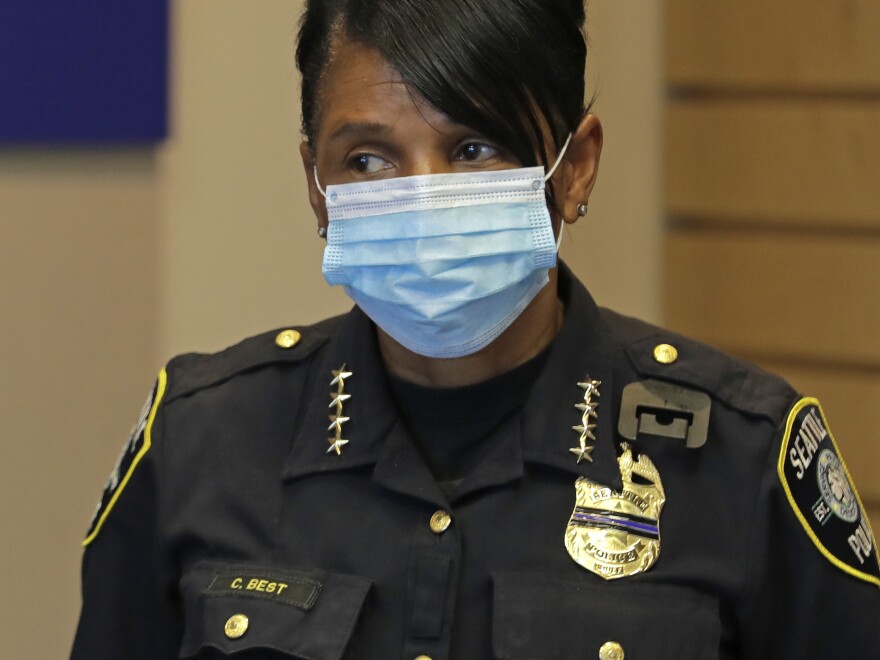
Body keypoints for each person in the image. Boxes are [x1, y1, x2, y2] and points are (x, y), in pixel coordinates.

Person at [71, 1, 880, 658]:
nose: (424, 200)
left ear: (575, 167)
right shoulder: (202, 439)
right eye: (368, 160)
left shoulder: (739, 457)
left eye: (474, 147)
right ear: (316, 185)